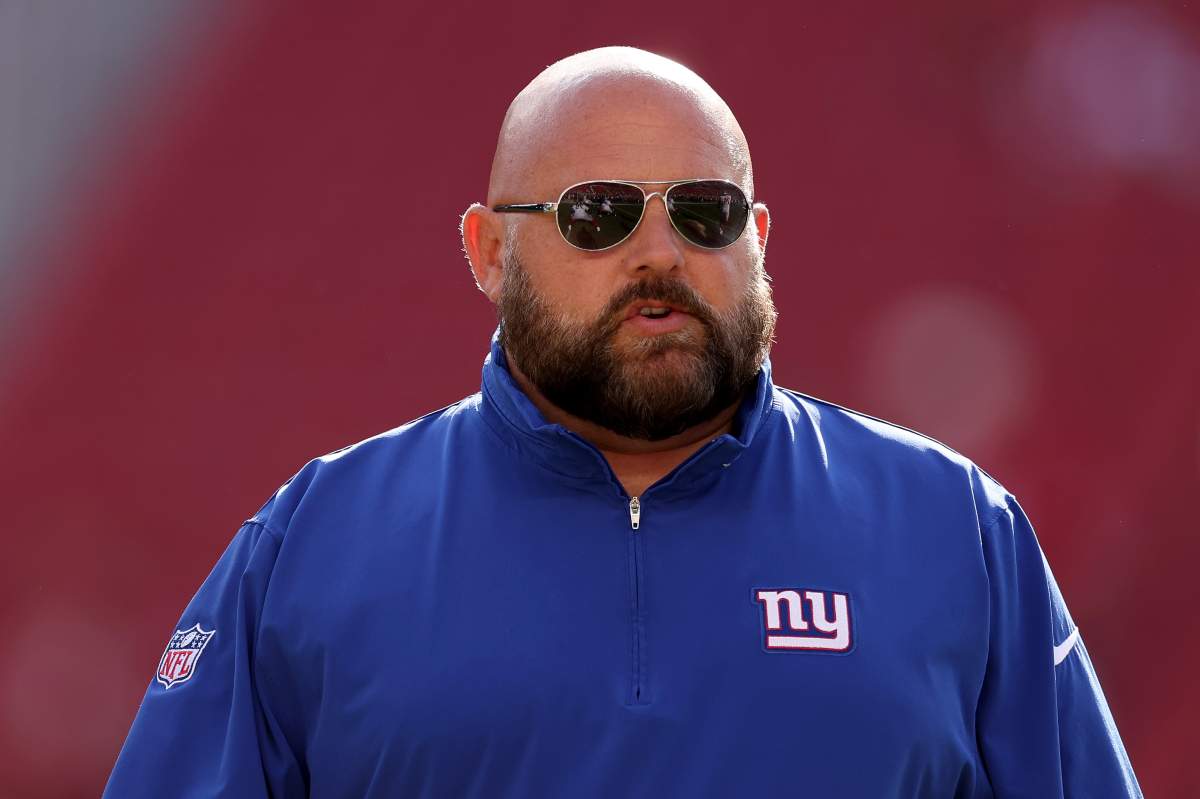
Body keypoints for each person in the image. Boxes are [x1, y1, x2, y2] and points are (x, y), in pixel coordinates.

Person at [103, 47, 1142, 798]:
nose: (661, 253)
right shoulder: (311, 545)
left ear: (757, 238)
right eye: (597, 215)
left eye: (704, 213)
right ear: (489, 251)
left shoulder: (957, 533)